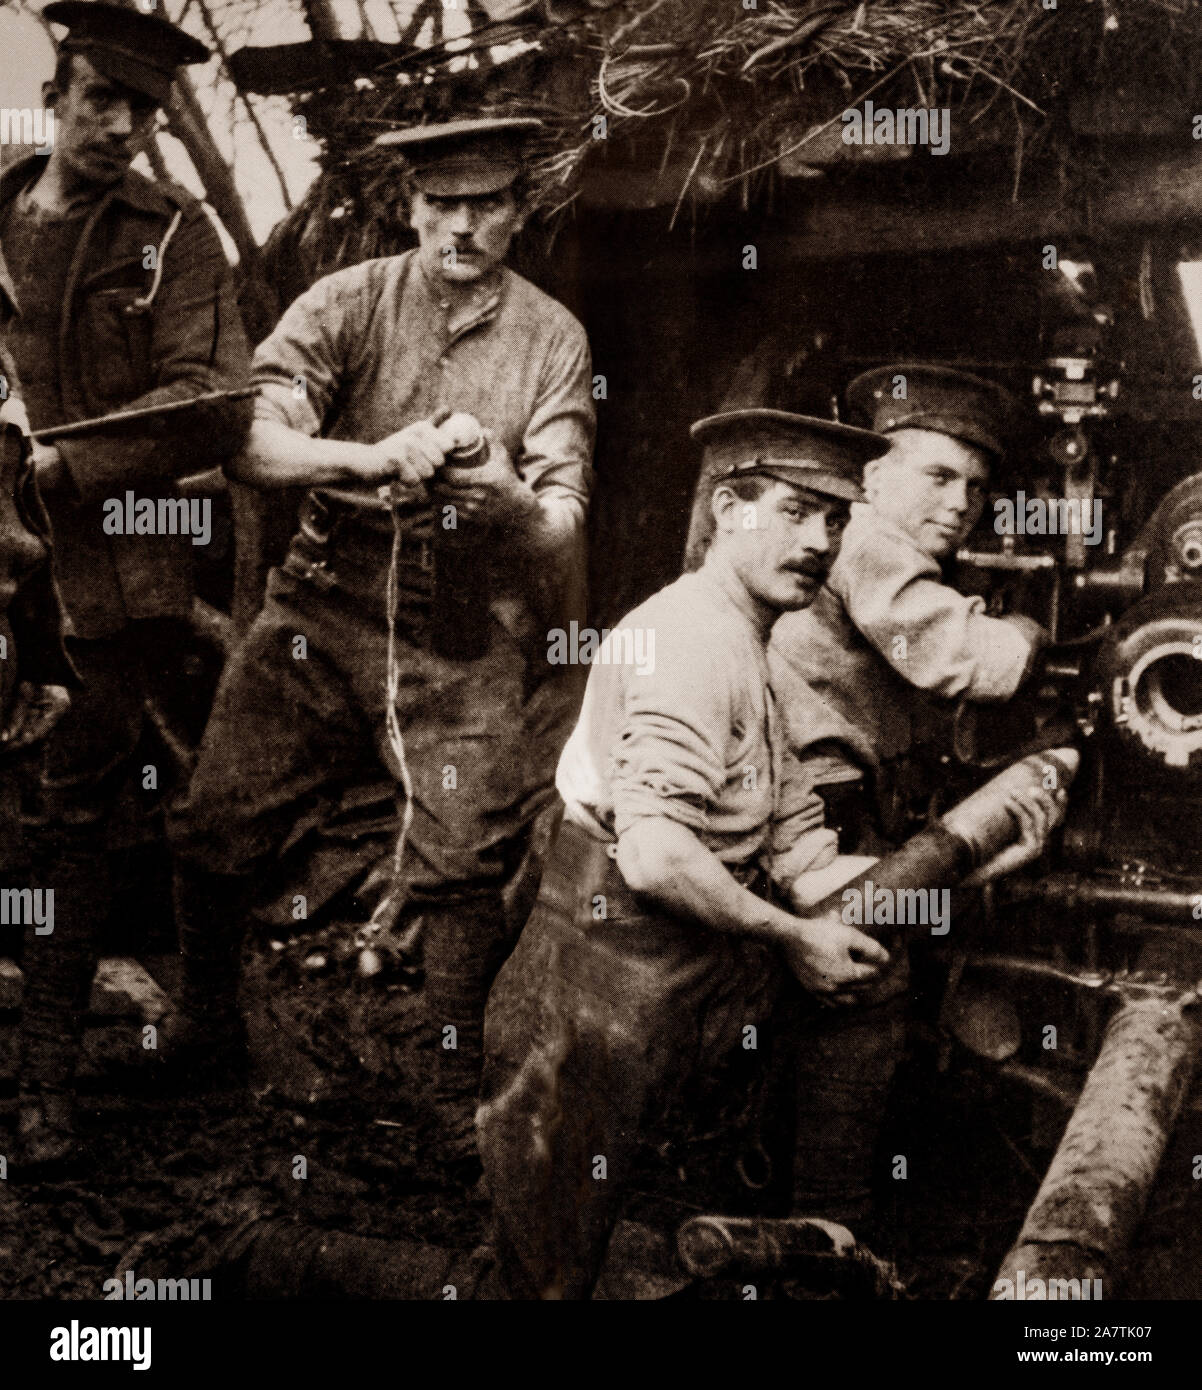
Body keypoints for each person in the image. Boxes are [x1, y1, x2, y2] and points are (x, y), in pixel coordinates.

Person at [475, 406, 1064, 1298]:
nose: (821, 540)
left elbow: (797, 843)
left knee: (870, 976)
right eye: (793, 512)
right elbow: (658, 857)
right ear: (724, 510)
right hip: (606, 962)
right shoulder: (689, 642)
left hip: (695, 943)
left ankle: (825, 1247)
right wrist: (795, 940)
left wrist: (962, 869)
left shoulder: (752, 635)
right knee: (553, 1258)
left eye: (834, 517)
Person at [166, 118, 595, 1163]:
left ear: (517, 211)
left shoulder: (552, 337)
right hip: (322, 599)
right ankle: (204, 1029)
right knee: (215, 818)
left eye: (486, 202)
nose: (462, 222)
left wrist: (501, 492)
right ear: (408, 208)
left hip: (460, 619)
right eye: (441, 202)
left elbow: (564, 512)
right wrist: (367, 458)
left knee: (461, 854)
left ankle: (451, 1088)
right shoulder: (348, 300)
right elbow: (250, 443)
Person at [0, 0, 253, 1164]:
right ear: (56, 95)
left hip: (110, 568)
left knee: (73, 815)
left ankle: (46, 1090)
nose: (118, 125)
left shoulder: (173, 236)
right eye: (99, 98)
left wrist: (65, 460)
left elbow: (210, 400)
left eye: (141, 109)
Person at [768, 363, 1050, 1227]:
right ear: (874, 477)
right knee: (868, 973)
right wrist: (1034, 629)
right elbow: (966, 659)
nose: (960, 502)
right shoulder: (864, 537)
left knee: (917, 933)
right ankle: (824, 1217)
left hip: (842, 799)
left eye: (975, 484)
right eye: (937, 475)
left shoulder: (885, 546)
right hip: (805, 810)